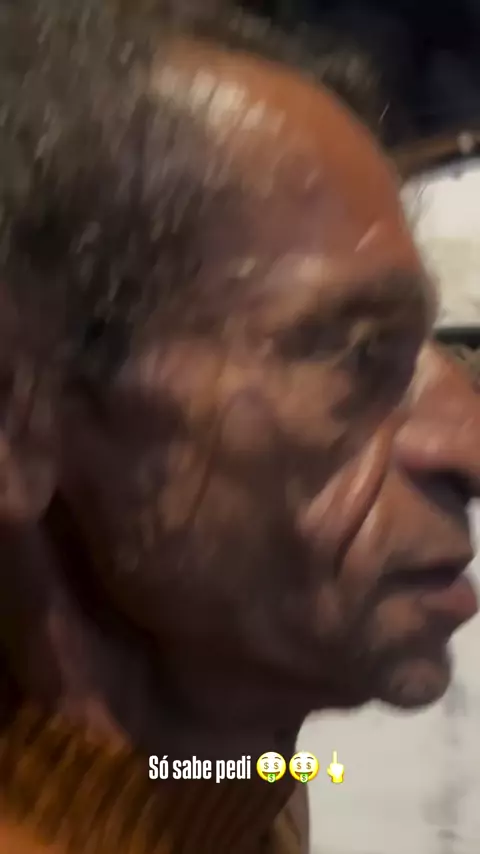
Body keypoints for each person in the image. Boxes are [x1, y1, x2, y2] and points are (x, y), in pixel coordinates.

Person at [1, 1, 480, 852]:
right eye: (357, 355)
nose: (469, 448)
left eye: (436, 348)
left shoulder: (216, 773)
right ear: (19, 411)